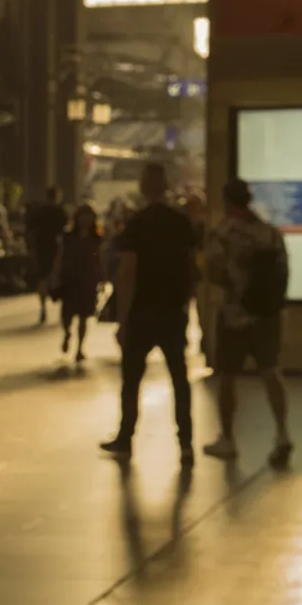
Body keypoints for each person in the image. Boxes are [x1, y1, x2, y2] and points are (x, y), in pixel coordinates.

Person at [100, 159, 197, 467]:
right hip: (172, 312)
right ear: (166, 186)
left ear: (143, 187)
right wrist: (185, 306)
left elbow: (128, 272)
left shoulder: (137, 223)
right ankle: (185, 443)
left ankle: (125, 437)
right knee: (179, 379)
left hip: (142, 311)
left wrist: (122, 319)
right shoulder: (181, 223)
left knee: (131, 381)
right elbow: (192, 269)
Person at [202, 176, 292, 468]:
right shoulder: (269, 232)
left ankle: (228, 439)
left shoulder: (223, 233)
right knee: (271, 372)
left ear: (227, 200)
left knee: (228, 376)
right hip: (268, 316)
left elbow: (214, 272)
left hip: (234, 316)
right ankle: (282, 433)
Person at [55, 200, 103, 364]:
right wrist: (56, 274)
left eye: (89, 216)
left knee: (84, 316)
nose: (86, 219)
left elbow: (100, 258)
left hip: (88, 280)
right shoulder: (68, 237)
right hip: (70, 278)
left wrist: (102, 277)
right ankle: (67, 333)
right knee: (66, 314)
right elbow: (60, 256)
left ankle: (80, 348)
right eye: (83, 215)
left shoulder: (96, 238)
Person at [25, 183, 68, 324]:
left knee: (42, 278)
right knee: (59, 276)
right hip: (57, 247)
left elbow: (30, 229)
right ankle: (61, 307)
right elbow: (65, 230)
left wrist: (31, 247)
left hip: (41, 247)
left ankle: (43, 308)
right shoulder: (60, 211)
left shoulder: (39, 211)